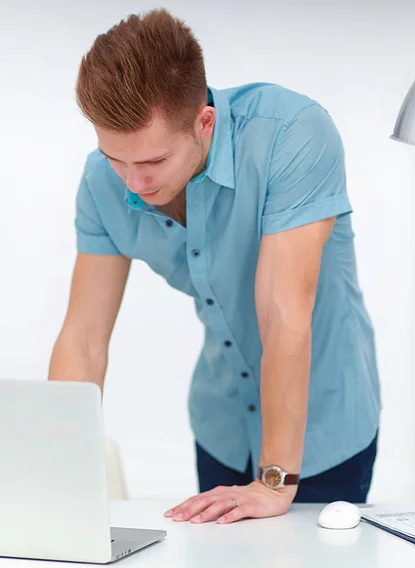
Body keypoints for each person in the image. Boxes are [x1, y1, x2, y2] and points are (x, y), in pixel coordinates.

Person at [49, 8, 380, 525]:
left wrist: (273, 481)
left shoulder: (291, 135)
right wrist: (57, 479)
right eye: (116, 157)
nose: (133, 183)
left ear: (204, 123)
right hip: (222, 421)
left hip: (322, 427)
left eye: (153, 162)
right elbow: (84, 336)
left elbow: (282, 313)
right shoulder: (102, 181)